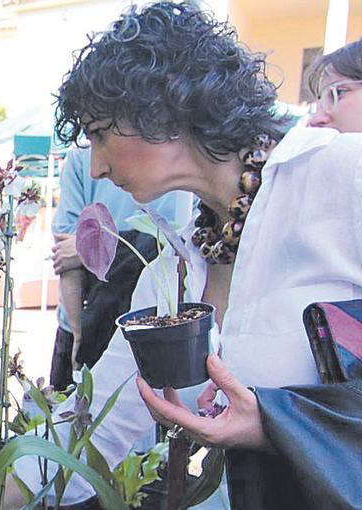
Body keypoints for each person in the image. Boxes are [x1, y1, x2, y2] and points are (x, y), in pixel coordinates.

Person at [6, 3, 362, 508]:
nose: (98, 166)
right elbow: (99, 427)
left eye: (100, 134)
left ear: (162, 109)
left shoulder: (343, 179)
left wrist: (277, 422)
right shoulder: (174, 271)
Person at [141, 37, 362, 510]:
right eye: (316, 96)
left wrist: (276, 421)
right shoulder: (192, 245)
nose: (319, 114)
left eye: (336, 93)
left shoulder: (347, 174)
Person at [49, 147, 189, 389]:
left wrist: (91, 248)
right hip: (87, 322)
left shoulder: (182, 154)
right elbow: (65, 252)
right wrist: (79, 337)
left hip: (154, 327)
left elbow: (75, 250)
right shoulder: (83, 155)